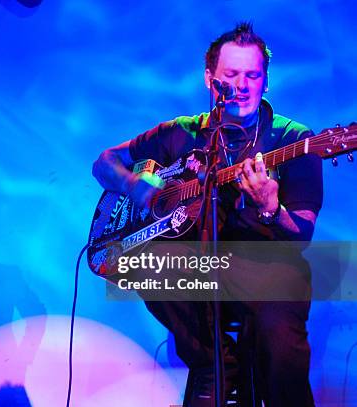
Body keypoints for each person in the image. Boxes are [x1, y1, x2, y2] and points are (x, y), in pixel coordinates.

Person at [92, 23, 322, 406]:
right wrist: (139, 188)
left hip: (270, 275)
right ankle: (211, 361)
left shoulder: (294, 140)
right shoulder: (182, 134)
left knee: (280, 354)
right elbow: (104, 163)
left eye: (252, 75)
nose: (242, 85)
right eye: (231, 76)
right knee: (137, 261)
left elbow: (302, 234)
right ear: (210, 79)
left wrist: (270, 208)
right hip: (200, 272)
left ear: (266, 82)